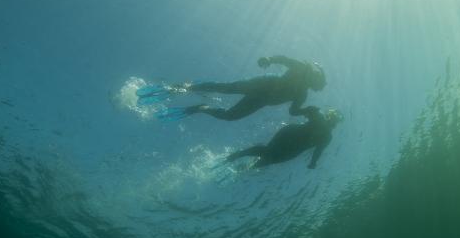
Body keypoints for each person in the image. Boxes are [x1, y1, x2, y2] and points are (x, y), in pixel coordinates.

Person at [146, 55, 326, 121]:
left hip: (259, 100)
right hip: (261, 85)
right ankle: (186, 87)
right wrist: (269, 60)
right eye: (317, 83)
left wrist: (305, 111)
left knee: (230, 116)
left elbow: (293, 112)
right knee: (226, 88)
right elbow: (284, 59)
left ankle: (200, 108)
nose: (314, 86)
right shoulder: (302, 69)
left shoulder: (302, 94)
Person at [225, 106, 343, 169]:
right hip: (292, 142)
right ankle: (243, 161)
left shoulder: (320, 118)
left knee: (268, 153)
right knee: (269, 155)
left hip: (290, 135)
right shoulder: (327, 135)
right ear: (335, 123)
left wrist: (308, 110)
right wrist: (313, 163)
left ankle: (242, 160)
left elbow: (299, 112)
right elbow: (318, 152)